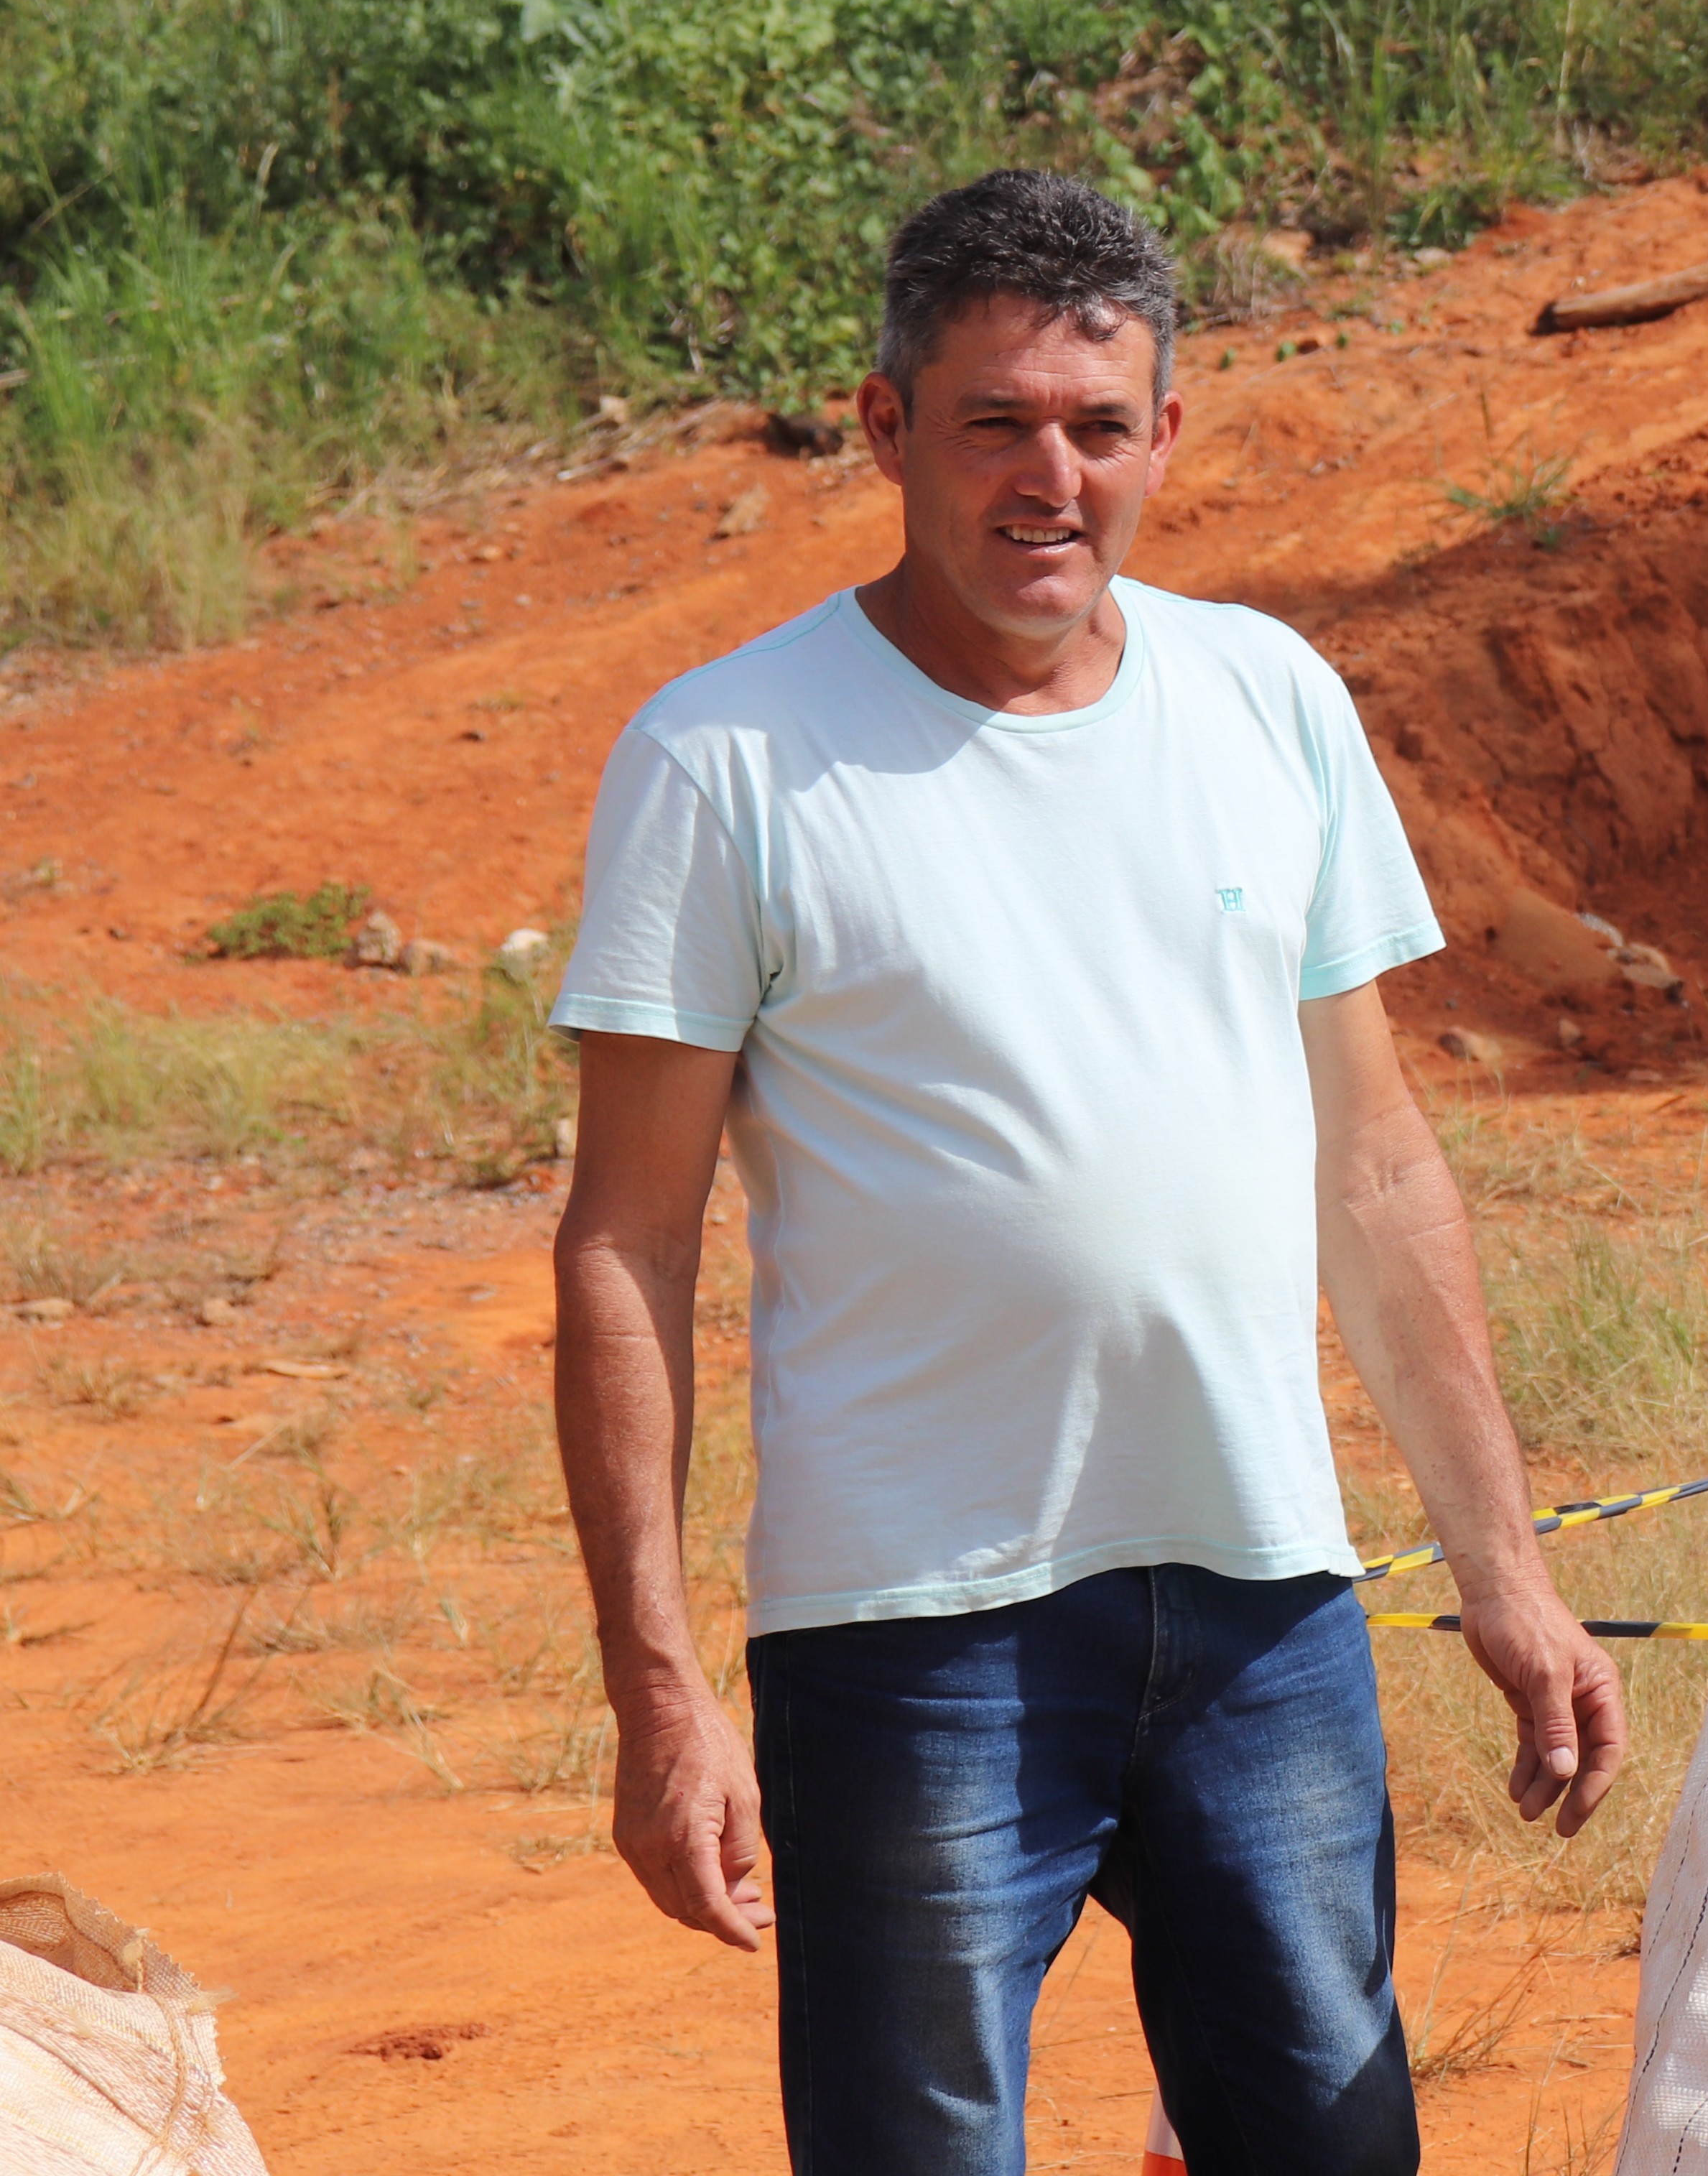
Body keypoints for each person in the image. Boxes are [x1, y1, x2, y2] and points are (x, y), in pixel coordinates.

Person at [549, 170, 1621, 2176]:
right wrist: (665, 1691)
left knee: (1331, 2138)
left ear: (1165, 439)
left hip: (1264, 1601)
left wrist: (1505, 1566)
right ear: (886, 430)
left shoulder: (1267, 702)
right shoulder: (727, 761)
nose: (1053, 477)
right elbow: (623, 1243)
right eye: (996, 422)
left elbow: (1376, 1167)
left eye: (1099, 427)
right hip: (910, 1630)